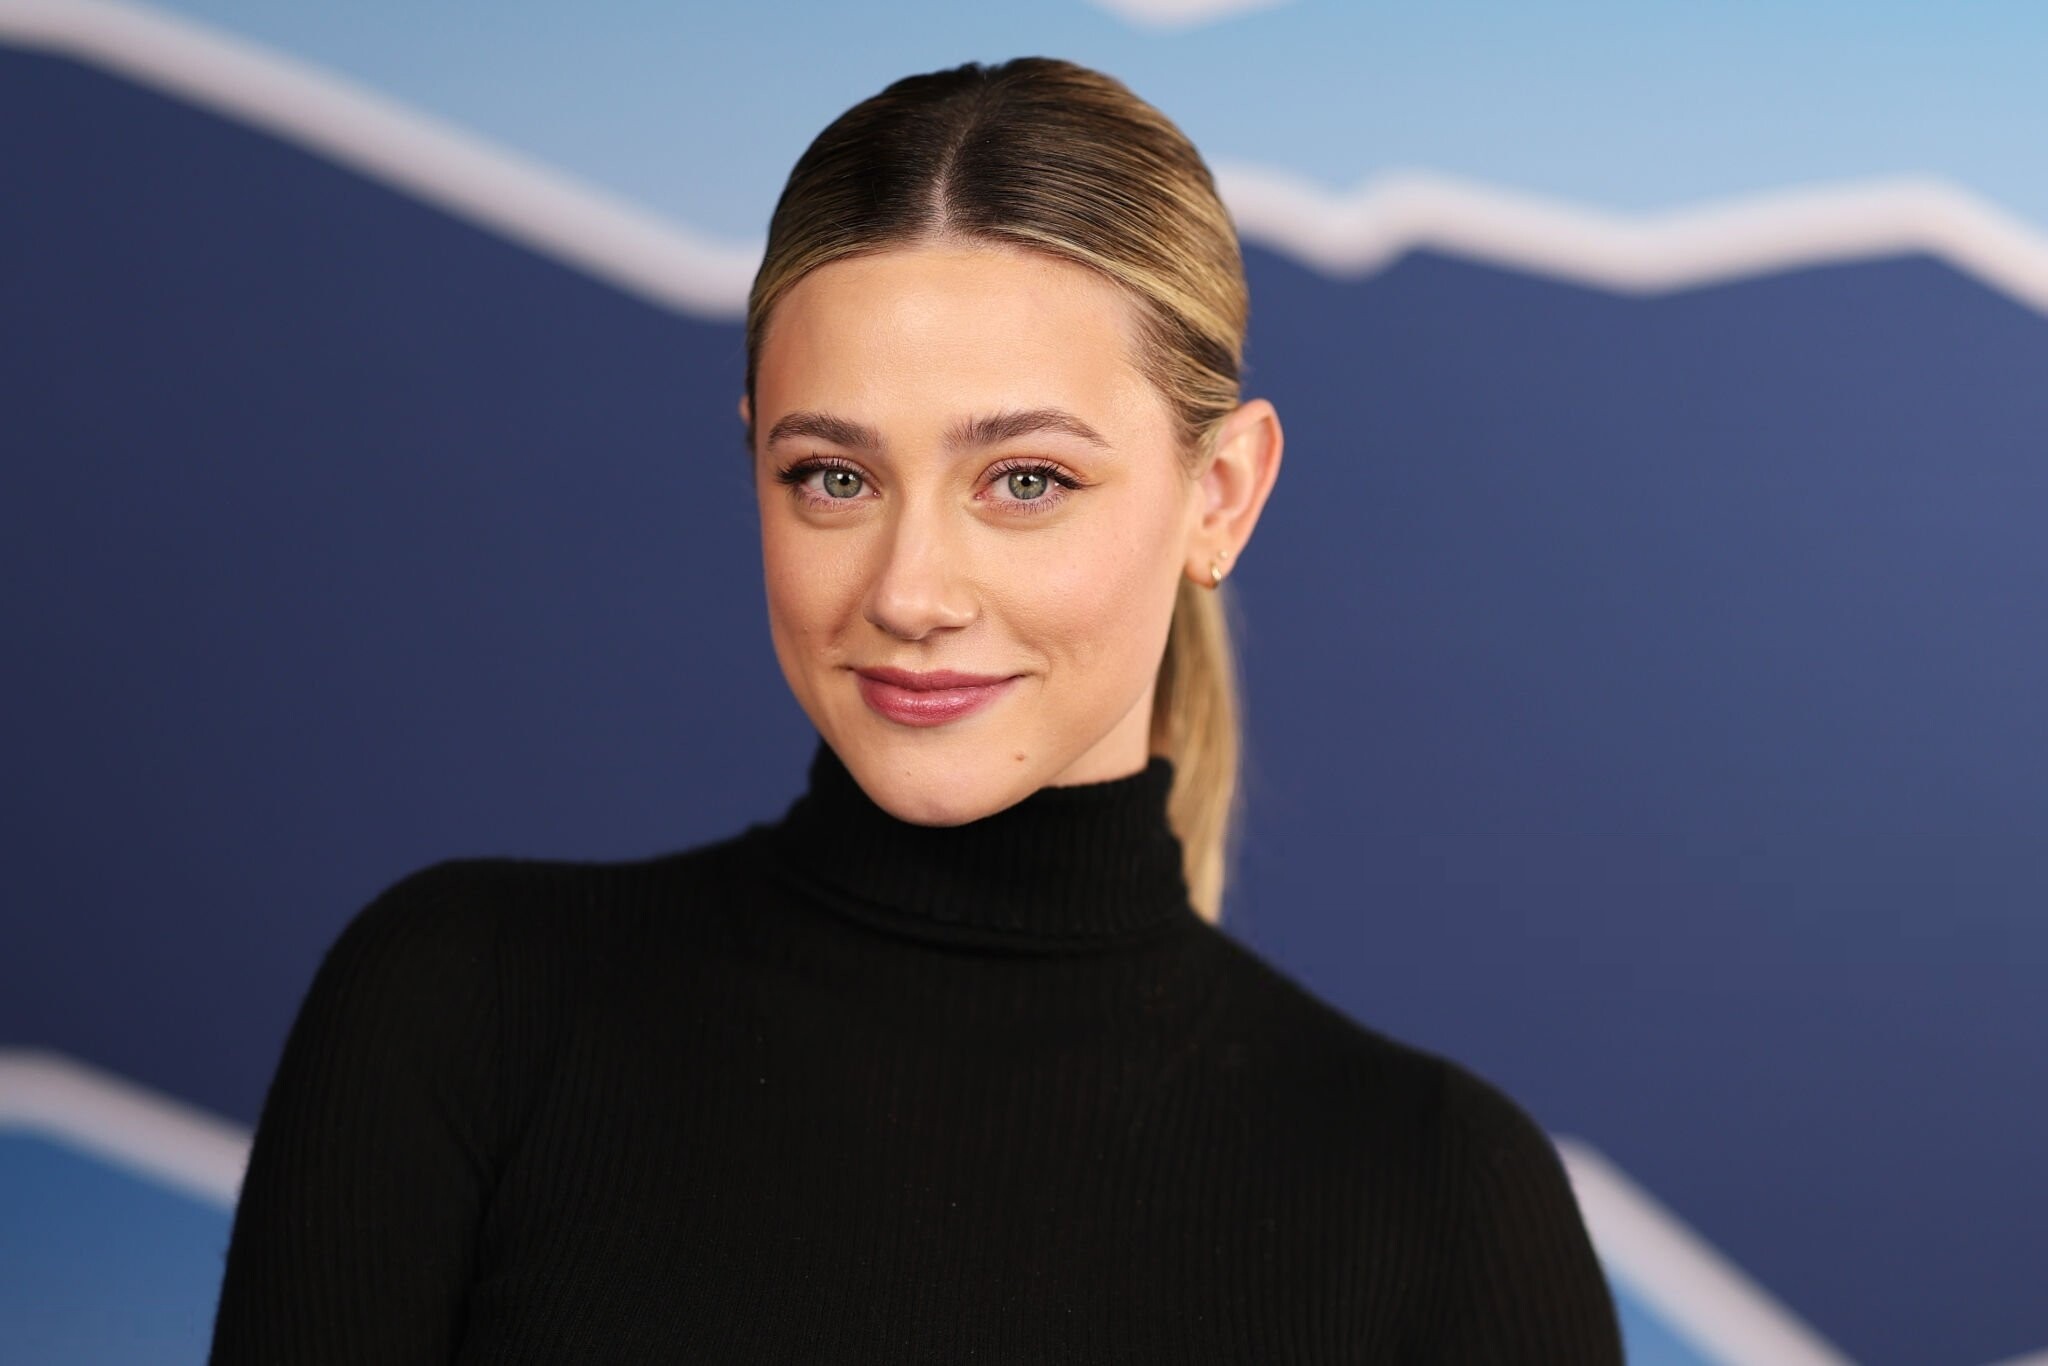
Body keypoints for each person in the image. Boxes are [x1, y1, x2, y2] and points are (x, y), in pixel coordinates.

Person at [210, 57, 1622, 1363]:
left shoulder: (1442, 1198)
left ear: (1221, 495)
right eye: (834, 477)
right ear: (754, 460)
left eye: (1026, 481)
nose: (909, 591)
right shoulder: (466, 1010)